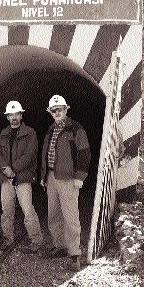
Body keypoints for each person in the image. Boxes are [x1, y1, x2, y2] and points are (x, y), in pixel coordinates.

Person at [40, 95, 91, 271]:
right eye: (54, 110)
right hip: (52, 177)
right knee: (53, 213)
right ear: (50, 112)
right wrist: (43, 174)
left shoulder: (76, 129)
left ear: (66, 110)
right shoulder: (51, 129)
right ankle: (60, 245)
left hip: (69, 178)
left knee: (70, 216)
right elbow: (46, 153)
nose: (57, 112)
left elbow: (84, 153)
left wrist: (80, 177)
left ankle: (75, 254)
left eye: (60, 109)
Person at [0, 101, 43, 253]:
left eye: (17, 114)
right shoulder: (3, 134)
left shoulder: (30, 133)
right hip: (6, 178)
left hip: (23, 178)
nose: (14, 117)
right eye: (11, 115)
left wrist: (13, 169)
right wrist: (5, 169)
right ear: (8, 117)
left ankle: (36, 240)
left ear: (21, 116)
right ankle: (8, 239)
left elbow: (29, 155)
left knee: (28, 210)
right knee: (6, 211)